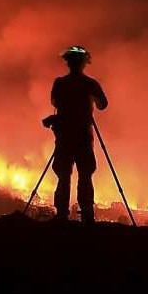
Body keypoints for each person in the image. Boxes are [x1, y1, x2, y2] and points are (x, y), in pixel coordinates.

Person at [44, 45, 108, 223]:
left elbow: (55, 102)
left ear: (68, 62)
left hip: (64, 136)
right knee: (85, 174)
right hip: (82, 137)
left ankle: (62, 214)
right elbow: (103, 104)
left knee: (64, 175)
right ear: (84, 63)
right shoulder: (90, 84)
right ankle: (87, 213)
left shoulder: (60, 83)